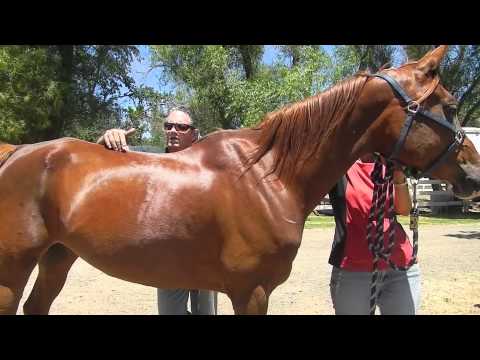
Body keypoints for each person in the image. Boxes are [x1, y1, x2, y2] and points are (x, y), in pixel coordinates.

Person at [97, 106, 218, 315]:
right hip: (169, 258)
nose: (173, 131)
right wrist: (106, 138)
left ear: (194, 133)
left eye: (181, 127)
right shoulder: (149, 157)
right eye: (168, 126)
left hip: (206, 255)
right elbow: (104, 160)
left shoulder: (209, 162)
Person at [328, 154, 420, 315]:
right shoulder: (339, 163)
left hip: (400, 267)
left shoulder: (389, 163)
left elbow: (404, 210)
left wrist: (399, 176)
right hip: (352, 270)